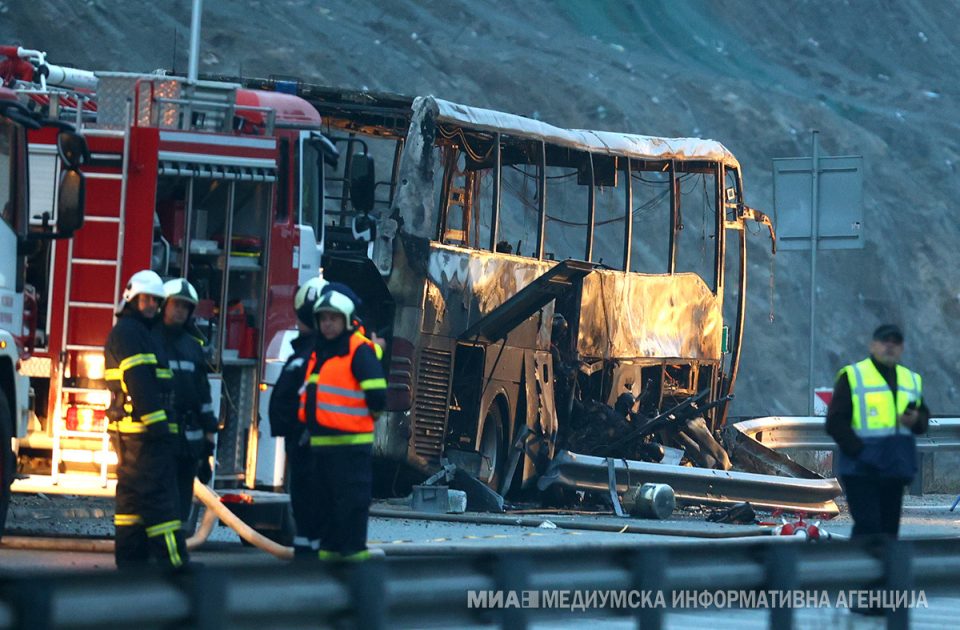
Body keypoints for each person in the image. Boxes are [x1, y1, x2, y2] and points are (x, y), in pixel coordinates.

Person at [104, 270, 188, 570]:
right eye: (146, 299)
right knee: (160, 503)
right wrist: (160, 428)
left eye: (155, 300)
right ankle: (176, 567)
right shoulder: (130, 333)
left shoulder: (138, 332)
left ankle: (130, 568)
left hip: (133, 437)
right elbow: (140, 383)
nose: (152, 305)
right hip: (144, 438)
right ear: (132, 299)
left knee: (131, 506)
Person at [298, 285, 386, 561]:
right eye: (323, 319)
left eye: (333, 318)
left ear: (346, 320)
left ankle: (353, 559)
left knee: (352, 503)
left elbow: (377, 395)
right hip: (322, 446)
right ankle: (329, 558)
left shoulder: (358, 350)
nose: (327, 324)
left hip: (351, 446)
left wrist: (363, 420)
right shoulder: (320, 351)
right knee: (325, 505)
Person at [826, 324, 929, 541]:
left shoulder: (910, 379)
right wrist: (861, 451)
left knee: (889, 532)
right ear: (873, 345)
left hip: (894, 469)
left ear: (902, 348)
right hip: (862, 469)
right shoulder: (853, 376)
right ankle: (855, 571)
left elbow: (923, 421)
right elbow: (835, 422)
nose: (890, 346)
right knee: (869, 528)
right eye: (885, 341)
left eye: (895, 342)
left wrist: (915, 419)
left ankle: (882, 573)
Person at [268, 276, 327, 560]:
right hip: (303, 445)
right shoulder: (310, 353)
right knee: (306, 513)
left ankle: (310, 568)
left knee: (312, 513)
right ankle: (307, 566)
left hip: (310, 447)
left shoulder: (316, 355)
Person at [154, 278, 219, 523]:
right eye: (176, 305)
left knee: (182, 504)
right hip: (160, 440)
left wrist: (208, 448)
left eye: (185, 306)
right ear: (164, 305)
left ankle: (177, 549)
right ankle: (162, 554)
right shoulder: (150, 341)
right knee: (162, 503)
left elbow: (203, 397)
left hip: (188, 444)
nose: (180, 310)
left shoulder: (193, 347)